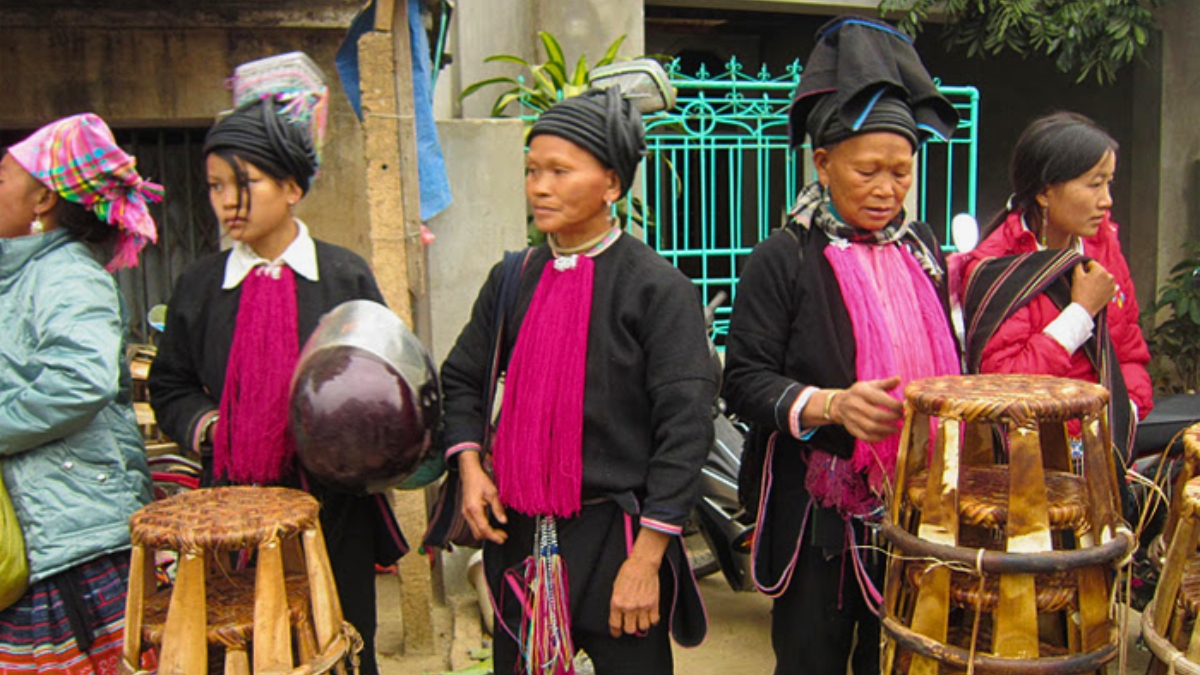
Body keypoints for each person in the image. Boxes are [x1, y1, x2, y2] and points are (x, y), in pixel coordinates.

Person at [440, 86, 715, 675]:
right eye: (533, 170)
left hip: (616, 537)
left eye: (560, 171)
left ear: (612, 184)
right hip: (518, 536)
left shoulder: (657, 289)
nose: (539, 186)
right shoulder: (513, 278)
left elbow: (685, 428)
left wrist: (646, 560)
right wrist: (469, 468)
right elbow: (462, 377)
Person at [722, 16, 962, 675]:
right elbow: (743, 377)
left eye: (901, 172)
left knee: (897, 658)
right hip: (816, 508)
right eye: (868, 171)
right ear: (823, 162)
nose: (887, 189)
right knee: (812, 658)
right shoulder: (784, 258)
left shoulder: (923, 253)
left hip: (912, 504)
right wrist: (831, 404)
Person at [147, 95, 405, 675]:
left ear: (292, 188)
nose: (227, 202)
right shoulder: (200, 286)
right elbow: (171, 384)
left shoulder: (344, 276)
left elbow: (385, 386)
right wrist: (213, 427)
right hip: (229, 515)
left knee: (335, 643)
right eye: (216, 187)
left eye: (247, 183)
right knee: (237, 648)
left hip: (330, 512)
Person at [0, 113, 158, 674]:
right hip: (35, 533)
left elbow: (80, 381)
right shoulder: (18, 277)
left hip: (75, 537)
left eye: (1, 178)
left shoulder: (66, 275)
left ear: (43, 199)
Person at [955, 111, 1152, 494]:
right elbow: (1003, 386)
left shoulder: (1102, 247)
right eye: (1094, 185)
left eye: (1109, 183)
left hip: (1103, 446)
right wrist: (1079, 313)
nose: (1106, 201)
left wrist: (1124, 417)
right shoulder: (996, 268)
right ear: (1045, 191)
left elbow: (1128, 352)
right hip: (1026, 462)